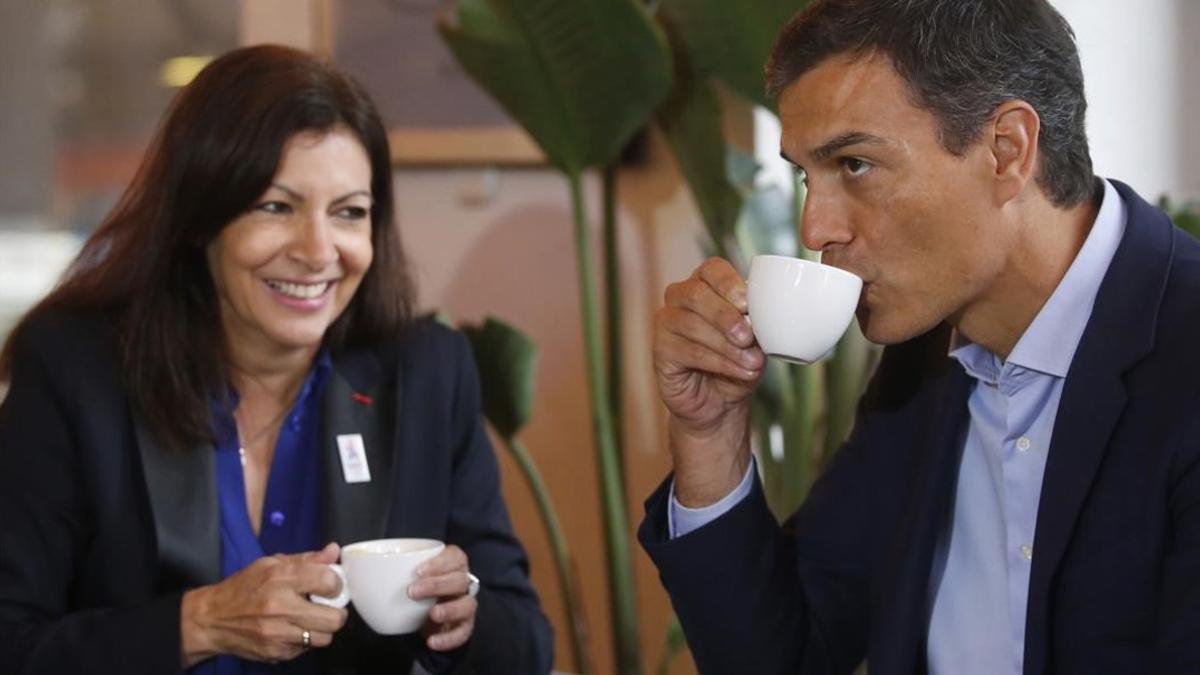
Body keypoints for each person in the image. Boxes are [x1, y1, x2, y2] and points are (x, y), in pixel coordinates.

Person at [640, 1, 1200, 673]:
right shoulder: (921, 367)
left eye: (853, 164)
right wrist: (710, 437)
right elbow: (781, 655)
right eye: (805, 175)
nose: (815, 228)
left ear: (1008, 150)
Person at [0, 45, 552, 674]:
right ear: (199, 220)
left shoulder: (425, 372)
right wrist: (198, 623)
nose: (319, 251)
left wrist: (464, 618)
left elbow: (528, 646)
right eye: (275, 207)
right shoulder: (78, 373)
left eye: (349, 213)